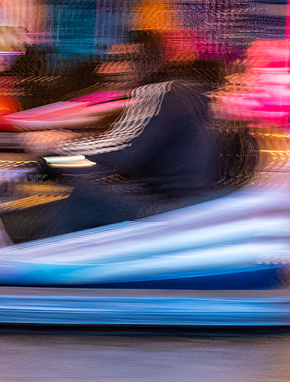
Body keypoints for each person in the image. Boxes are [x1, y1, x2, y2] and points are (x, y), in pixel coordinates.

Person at [28, 29, 223, 237]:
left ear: (145, 62)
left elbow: (119, 152)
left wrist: (58, 145)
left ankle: (23, 262)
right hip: (179, 206)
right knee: (87, 187)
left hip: (162, 210)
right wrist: (53, 164)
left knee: (86, 195)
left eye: (119, 59)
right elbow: (117, 155)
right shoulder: (178, 93)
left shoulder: (157, 93)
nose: (106, 69)